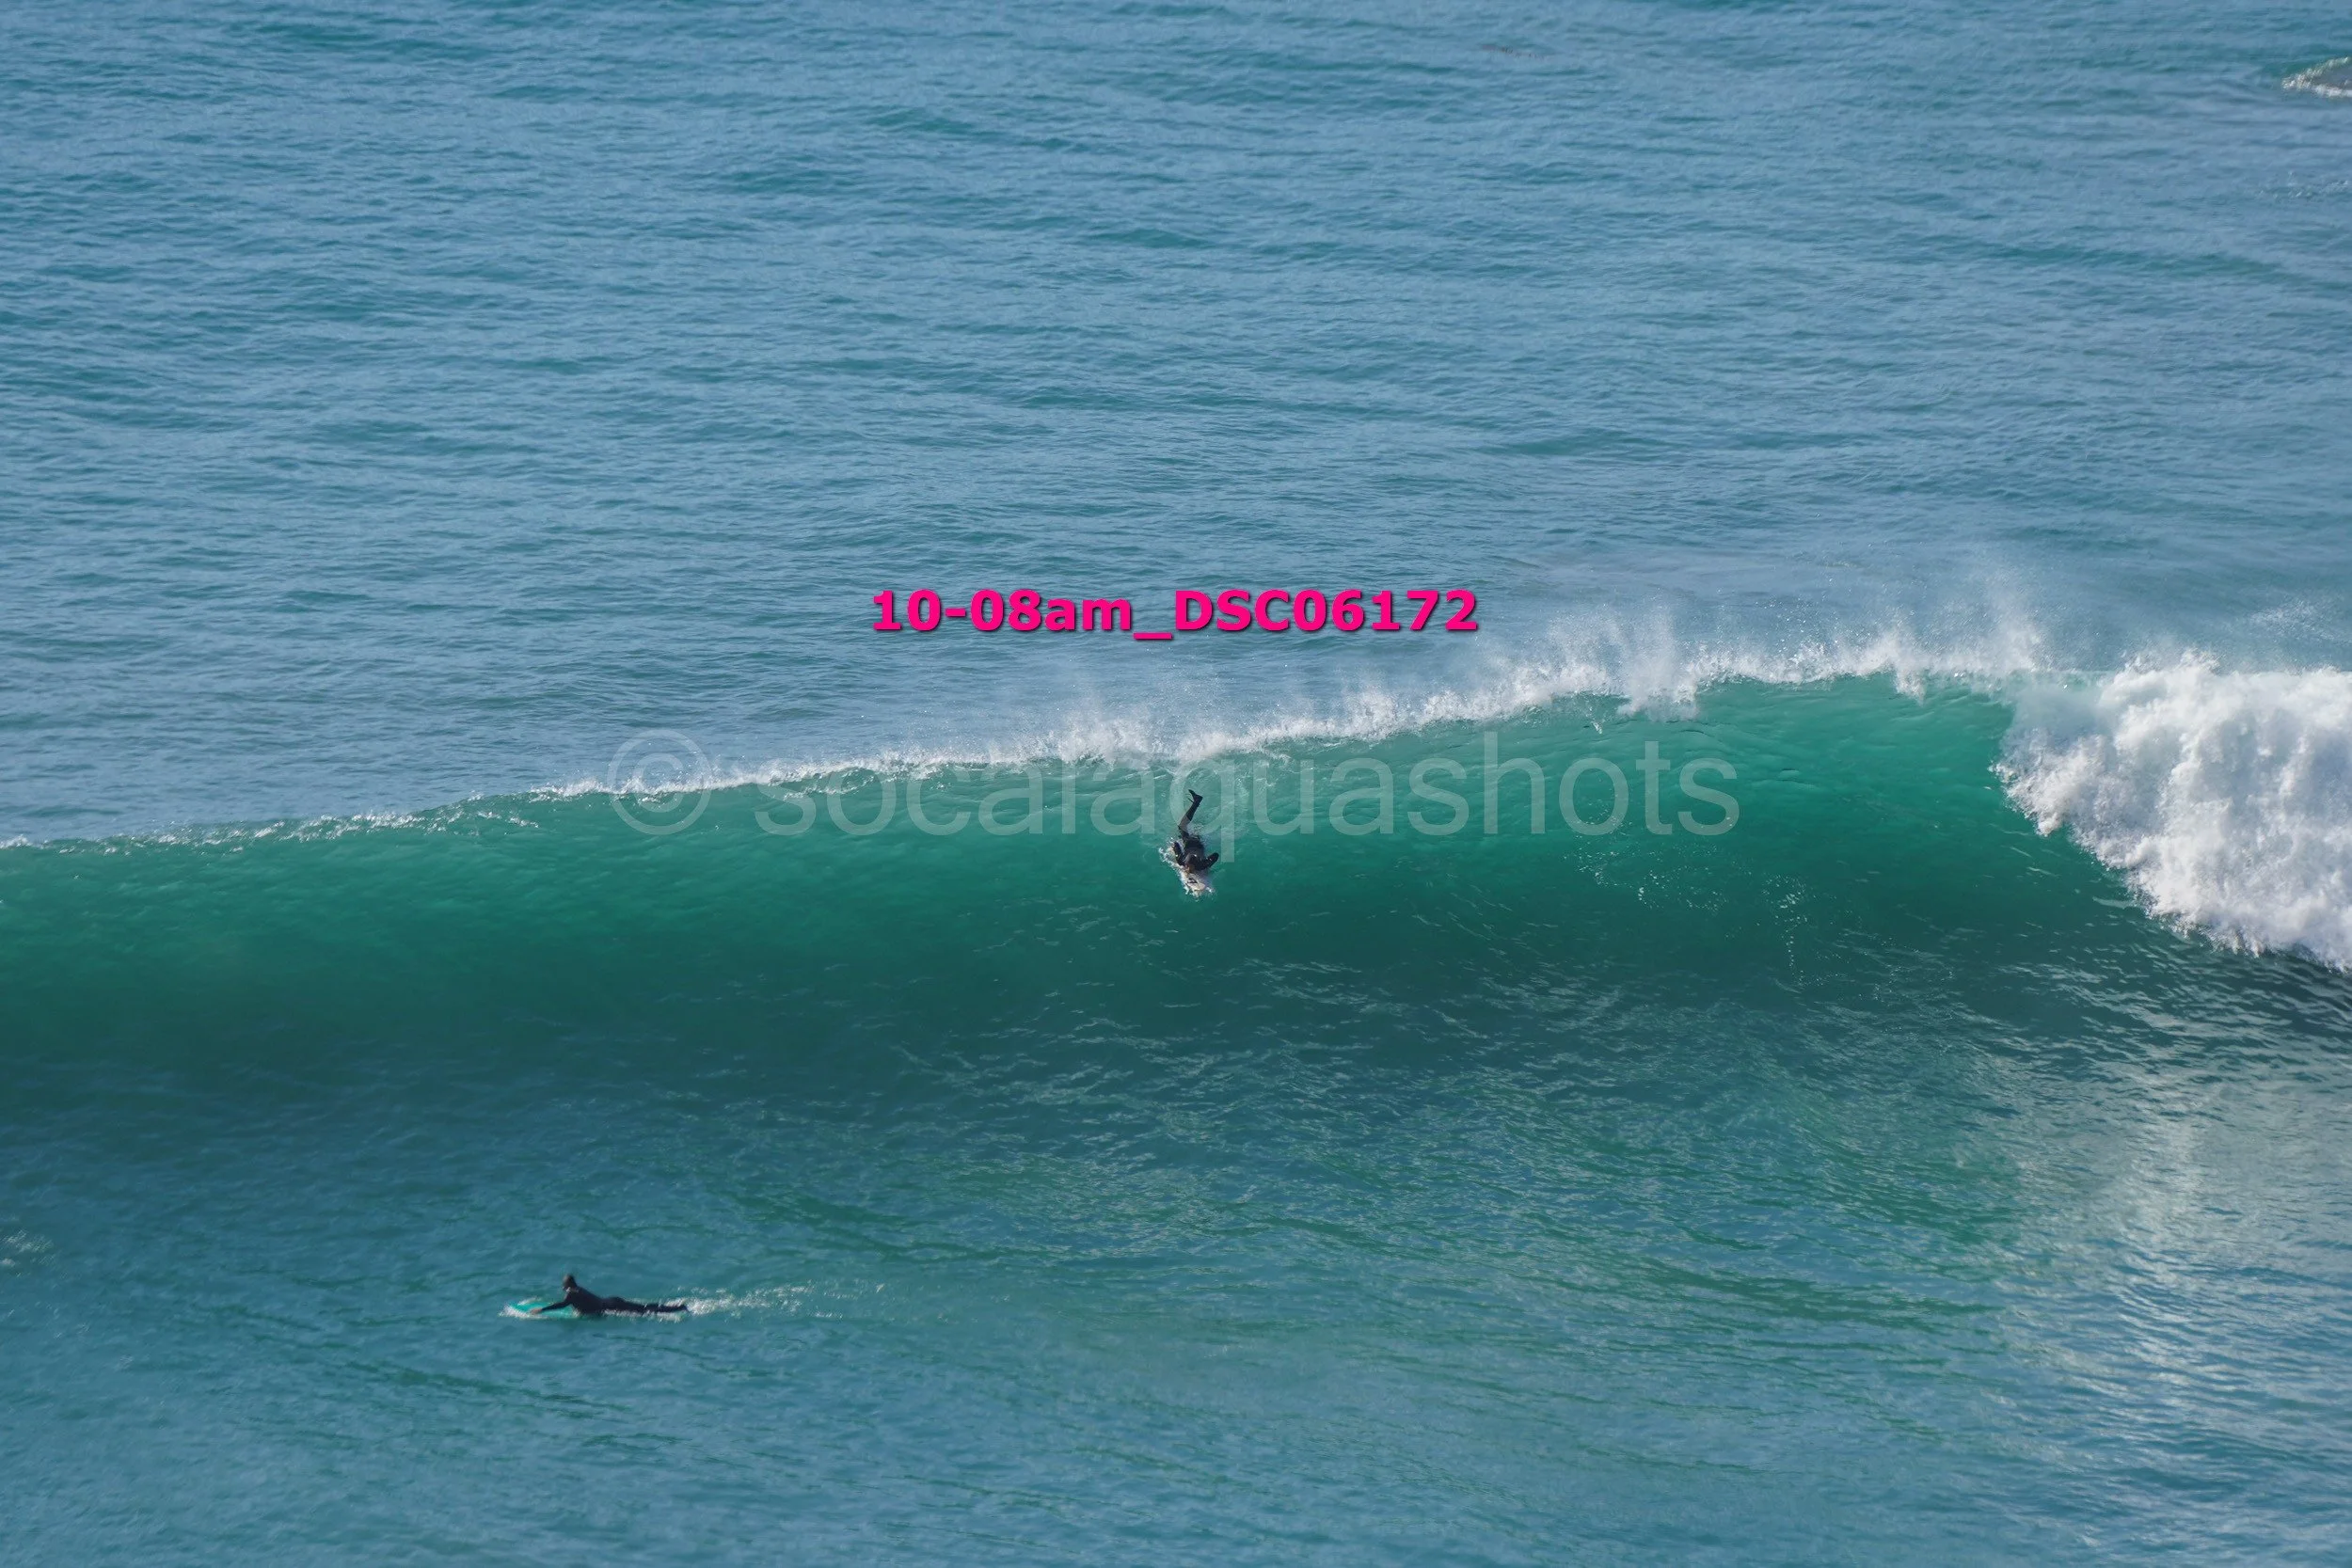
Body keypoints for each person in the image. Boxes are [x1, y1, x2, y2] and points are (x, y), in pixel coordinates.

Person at [532, 1274, 686, 1316]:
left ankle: (678, 1308)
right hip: (612, 1301)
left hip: (611, 1307)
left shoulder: (571, 1294)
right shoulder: (577, 1289)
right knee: (644, 1308)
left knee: (646, 1311)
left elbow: (562, 1304)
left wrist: (542, 1310)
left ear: (566, 1286)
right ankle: (676, 1307)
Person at [1170, 790, 1219, 875]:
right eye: (1189, 866)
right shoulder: (1201, 865)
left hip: (1190, 843)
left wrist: (1208, 863)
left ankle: (1197, 801)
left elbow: (1176, 845)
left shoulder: (1182, 861)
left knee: (1183, 826)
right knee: (1185, 828)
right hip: (1196, 844)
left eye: (1188, 866)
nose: (1188, 868)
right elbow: (1216, 855)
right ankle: (1197, 801)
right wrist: (1208, 864)